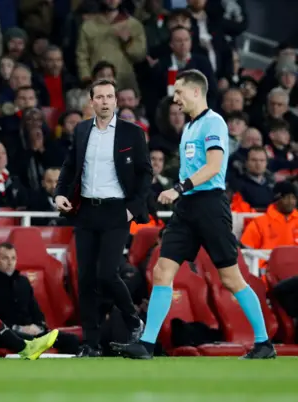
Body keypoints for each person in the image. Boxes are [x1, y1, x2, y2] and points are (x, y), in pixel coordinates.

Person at [111, 69, 276, 360]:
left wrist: (178, 187)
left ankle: (264, 343)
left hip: (210, 206)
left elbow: (214, 166)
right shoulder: (188, 127)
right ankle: (147, 345)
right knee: (162, 271)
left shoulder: (214, 122)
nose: (175, 99)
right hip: (187, 207)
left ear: (196, 92)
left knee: (231, 278)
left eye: (179, 92)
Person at [54, 79, 151, 357]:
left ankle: (133, 319)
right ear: (92, 102)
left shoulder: (132, 133)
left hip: (117, 210)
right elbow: (70, 165)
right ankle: (91, 344)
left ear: (116, 101)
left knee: (107, 273)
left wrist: (132, 207)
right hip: (86, 210)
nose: (106, 101)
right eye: (100, 97)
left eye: (110, 97)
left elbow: (145, 173)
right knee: (84, 279)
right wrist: (60, 193)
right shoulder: (82, 130)